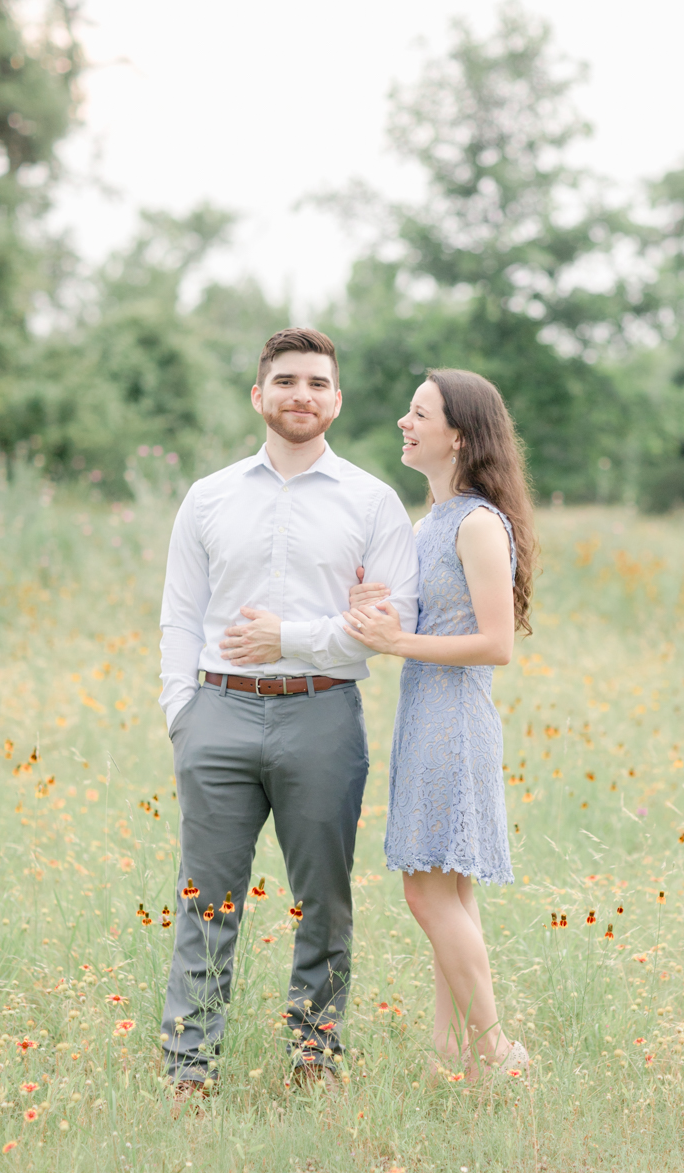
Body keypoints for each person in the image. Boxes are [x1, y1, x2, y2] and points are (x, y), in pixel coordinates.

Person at [158, 327, 419, 1099]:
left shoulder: (373, 502)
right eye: (285, 381)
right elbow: (180, 615)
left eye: (315, 382)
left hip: (324, 717)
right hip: (218, 713)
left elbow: (389, 622)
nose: (300, 394)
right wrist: (184, 713)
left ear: (336, 400)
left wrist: (292, 638)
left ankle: (314, 1056)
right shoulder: (207, 497)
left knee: (325, 898)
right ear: (258, 395)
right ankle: (189, 1068)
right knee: (207, 897)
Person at [343, 368, 536, 1080]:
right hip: (426, 713)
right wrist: (379, 615)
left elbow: (496, 644)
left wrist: (399, 643)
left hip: (454, 719)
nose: (403, 420)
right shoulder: (430, 523)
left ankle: (495, 1047)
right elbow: (425, 624)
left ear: (458, 434)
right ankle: (446, 1057)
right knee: (452, 893)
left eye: (418, 413)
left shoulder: (480, 522)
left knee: (427, 891)